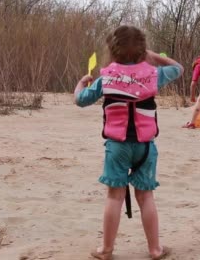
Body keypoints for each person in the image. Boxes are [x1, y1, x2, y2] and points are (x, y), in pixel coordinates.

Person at [74, 25, 182, 260]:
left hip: (117, 146)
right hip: (145, 146)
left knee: (114, 196)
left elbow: (80, 100)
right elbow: (178, 69)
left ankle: (106, 249)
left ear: (112, 51)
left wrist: (82, 83)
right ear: (143, 50)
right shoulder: (153, 75)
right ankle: (155, 249)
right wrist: (153, 57)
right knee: (146, 197)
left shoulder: (106, 78)